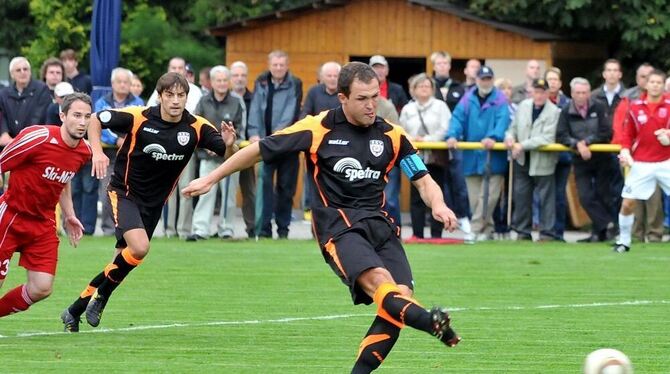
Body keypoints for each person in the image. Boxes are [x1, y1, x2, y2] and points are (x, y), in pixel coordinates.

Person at [183, 61, 460, 373]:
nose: (371, 106)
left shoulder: (392, 135)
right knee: (384, 287)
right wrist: (211, 178)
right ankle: (431, 322)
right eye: (362, 99)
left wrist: (438, 204)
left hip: (381, 226)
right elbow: (258, 150)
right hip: (339, 227)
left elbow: (422, 179)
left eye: (374, 97)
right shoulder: (317, 128)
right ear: (342, 98)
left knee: (399, 302)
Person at [60, 73, 237, 332]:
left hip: (154, 204)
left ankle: (75, 310)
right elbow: (97, 119)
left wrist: (230, 145)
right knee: (140, 248)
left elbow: (226, 154)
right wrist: (96, 152)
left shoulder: (197, 126)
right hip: (124, 193)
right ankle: (102, 298)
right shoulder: (138, 116)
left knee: (121, 261)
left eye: (181, 95)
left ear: (187, 98)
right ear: (160, 96)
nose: (176, 101)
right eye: (170, 95)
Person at [0, 93, 92, 318]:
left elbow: (64, 179)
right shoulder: (38, 137)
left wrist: (69, 215)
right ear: (62, 115)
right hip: (11, 216)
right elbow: (2, 162)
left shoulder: (84, 151)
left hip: (43, 223)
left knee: (42, 287)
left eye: (87, 117)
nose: (82, 122)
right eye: (77, 115)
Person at [447, 66, 510, 241]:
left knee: (488, 198)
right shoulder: (467, 99)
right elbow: (457, 118)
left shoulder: (500, 100)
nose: (486, 82)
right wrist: (452, 135)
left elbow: (503, 121)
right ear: (477, 80)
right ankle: (487, 231)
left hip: (493, 157)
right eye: (483, 78)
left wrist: (494, 136)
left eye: (489, 78)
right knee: (475, 200)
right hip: (471, 157)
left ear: (492, 79)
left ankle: (474, 230)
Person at [247, 50, 303, 239]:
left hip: (287, 143)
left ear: (287, 65)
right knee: (264, 186)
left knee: (286, 188)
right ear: (269, 65)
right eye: (275, 65)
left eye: (281, 65)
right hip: (265, 144)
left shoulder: (295, 83)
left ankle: (283, 229)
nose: (278, 68)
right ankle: (263, 230)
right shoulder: (261, 81)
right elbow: (255, 108)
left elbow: (291, 112)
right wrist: (254, 133)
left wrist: (277, 137)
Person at [613, 70, 670, 252]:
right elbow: (627, 135)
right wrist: (625, 151)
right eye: (652, 82)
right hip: (641, 163)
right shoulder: (635, 107)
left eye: (658, 82)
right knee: (628, 202)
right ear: (646, 84)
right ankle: (624, 241)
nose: (655, 85)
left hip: (666, 162)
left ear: (663, 85)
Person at [557, 77, 618, 242]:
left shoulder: (598, 107)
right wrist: (577, 145)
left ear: (589, 93)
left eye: (584, 92)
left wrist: (586, 142)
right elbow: (561, 135)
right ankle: (608, 224)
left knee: (604, 195)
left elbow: (606, 132)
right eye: (578, 93)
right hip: (580, 160)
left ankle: (599, 234)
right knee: (585, 197)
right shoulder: (565, 111)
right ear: (572, 93)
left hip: (602, 158)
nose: (581, 96)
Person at [148, 57, 203, 238]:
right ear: (168, 69)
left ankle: (184, 230)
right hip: (163, 146)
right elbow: (148, 113)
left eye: (180, 68)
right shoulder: (160, 90)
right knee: (166, 190)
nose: (177, 70)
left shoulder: (195, 91)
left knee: (187, 188)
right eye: (174, 67)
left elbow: (198, 119)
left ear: (186, 71)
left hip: (187, 145)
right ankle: (169, 230)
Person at [187, 65, 244, 241]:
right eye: (218, 80)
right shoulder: (203, 102)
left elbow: (241, 132)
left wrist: (227, 146)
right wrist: (207, 146)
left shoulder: (237, 103)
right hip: (207, 155)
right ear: (211, 82)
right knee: (205, 193)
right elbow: (195, 128)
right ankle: (200, 229)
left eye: (224, 80)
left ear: (229, 82)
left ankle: (226, 229)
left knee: (228, 196)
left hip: (230, 157)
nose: (221, 83)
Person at [504, 78, 560, 241]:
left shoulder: (554, 111)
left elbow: (547, 138)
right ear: (531, 92)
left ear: (548, 93)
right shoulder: (523, 106)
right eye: (536, 91)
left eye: (542, 92)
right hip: (522, 160)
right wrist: (509, 138)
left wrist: (522, 145)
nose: (539, 95)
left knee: (546, 199)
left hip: (542, 161)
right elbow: (512, 128)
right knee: (521, 196)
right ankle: (523, 231)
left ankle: (547, 233)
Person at [94, 67, 145, 236]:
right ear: (112, 83)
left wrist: (127, 141)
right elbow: (100, 125)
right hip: (109, 153)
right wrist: (117, 140)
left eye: (126, 82)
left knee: (131, 191)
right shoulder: (102, 102)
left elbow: (140, 126)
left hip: (131, 154)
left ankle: (129, 229)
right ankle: (108, 229)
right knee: (107, 189)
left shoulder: (139, 103)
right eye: (119, 81)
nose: (123, 85)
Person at [400, 73, 451, 240]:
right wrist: (412, 140)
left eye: (427, 86)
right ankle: (417, 234)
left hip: (435, 156)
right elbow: (401, 129)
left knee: (437, 194)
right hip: (415, 156)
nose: (424, 88)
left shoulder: (440, 107)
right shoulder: (408, 109)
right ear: (413, 89)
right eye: (420, 86)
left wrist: (428, 139)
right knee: (416, 197)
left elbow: (445, 128)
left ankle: (437, 234)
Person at [300, 61, 342, 221]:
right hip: (317, 146)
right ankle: (309, 210)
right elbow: (305, 115)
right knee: (312, 179)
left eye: (335, 76)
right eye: (329, 76)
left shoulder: (345, 93)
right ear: (322, 77)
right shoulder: (313, 92)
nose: (332, 79)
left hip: (341, 146)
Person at [370, 55, 408, 228]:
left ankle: (394, 231)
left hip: (387, 157)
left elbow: (396, 130)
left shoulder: (388, 104)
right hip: (364, 158)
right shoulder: (353, 105)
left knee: (390, 199)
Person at [0, 57, 52, 146]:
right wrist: (4, 132)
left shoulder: (42, 89)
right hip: (8, 143)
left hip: (34, 141)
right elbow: (2, 114)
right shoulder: (4, 93)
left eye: (25, 69)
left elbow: (38, 116)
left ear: (30, 72)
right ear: (12, 74)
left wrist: (21, 140)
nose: (22, 72)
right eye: (18, 70)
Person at [230, 61, 256, 238]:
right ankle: (224, 229)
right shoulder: (226, 98)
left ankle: (252, 228)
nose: (239, 79)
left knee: (249, 191)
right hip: (228, 149)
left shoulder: (254, 98)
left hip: (249, 150)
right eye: (236, 75)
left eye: (242, 75)